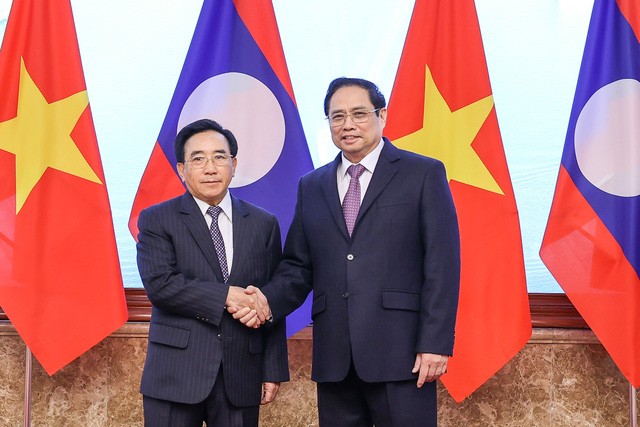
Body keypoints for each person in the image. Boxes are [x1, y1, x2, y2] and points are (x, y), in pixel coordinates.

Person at [231, 77, 460, 426]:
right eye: (337, 116)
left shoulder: (423, 173)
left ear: (381, 115)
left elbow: (442, 264)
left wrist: (436, 342)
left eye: (358, 113)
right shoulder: (313, 185)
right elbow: (297, 266)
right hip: (336, 356)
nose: (347, 124)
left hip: (402, 353)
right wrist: (264, 302)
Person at [136, 118, 289, 426]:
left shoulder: (263, 224)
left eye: (219, 157)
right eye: (198, 159)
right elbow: (161, 286)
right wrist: (225, 296)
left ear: (233, 164)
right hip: (174, 374)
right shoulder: (157, 219)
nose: (210, 167)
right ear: (181, 169)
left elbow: (270, 298)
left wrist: (272, 369)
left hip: (242, 373)